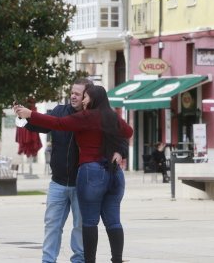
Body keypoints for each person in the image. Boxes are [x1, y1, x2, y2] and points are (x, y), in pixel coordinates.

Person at [15, 85, 133, 263]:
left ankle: (88, 261)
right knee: (113, 221)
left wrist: (30, 113)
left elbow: (58, 123)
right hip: (113, 173)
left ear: (92, 98)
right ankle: (117, 260)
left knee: (88, 222)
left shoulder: (86, 116)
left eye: (84, 96)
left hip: (90, 173)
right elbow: (128, 132)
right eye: (76, 95)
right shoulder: (111, 116)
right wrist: (118, 150)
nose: (80, 99)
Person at [22, 78, 92, 263]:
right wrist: (25, 117)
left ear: (87, 96)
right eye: (72, 92)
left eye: (78, 94)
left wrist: (120, 151)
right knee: (52, 225)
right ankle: (48, 260)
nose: (73, 96)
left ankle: (79, 260)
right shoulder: (60, 111)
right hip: (58, 183)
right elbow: (41, 124)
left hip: (82, 184)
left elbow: (115, 134)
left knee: (80, 226)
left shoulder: (93, 116)